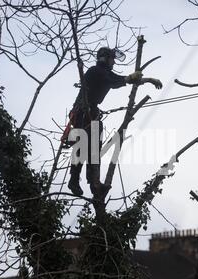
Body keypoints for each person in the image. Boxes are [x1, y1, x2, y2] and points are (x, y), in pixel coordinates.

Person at [67, 47, 162, 196]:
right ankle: (74, 180)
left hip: (93, 112)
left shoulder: (106, 73)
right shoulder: (95, 71)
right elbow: (116, 80)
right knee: (83, 146)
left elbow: (119, 80)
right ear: (105, 58)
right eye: (112, 59)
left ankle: (94, 183)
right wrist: (131, 78)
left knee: (94, 151)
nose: (114, 62)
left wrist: (149, 80)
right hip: (82, 112)